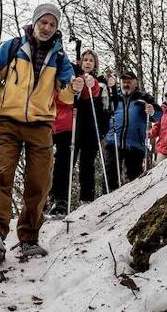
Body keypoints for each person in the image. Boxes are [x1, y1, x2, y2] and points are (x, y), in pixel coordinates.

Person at [0, 3, 74, 260]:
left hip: (40, 125)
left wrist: (76, 85)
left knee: (39, 184)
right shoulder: (13, 47)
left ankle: (29, 238)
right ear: (35, 21)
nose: (47, 28)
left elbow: (68, 95)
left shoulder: (60, 58)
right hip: (8, 121)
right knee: (1, 175)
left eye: (52, 24)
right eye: (44, 22)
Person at [50, 48, 108, 215]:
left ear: (95, 64)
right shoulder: (73, 75)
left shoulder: (100, 82)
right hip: (74, 124)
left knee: (87, 163)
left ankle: (87, 198)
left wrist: (103, 128)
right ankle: (59, 198)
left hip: (92, 127)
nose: (88, 63)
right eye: (85, 60)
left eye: (91, 60)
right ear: (81, 62)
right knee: (67, 160)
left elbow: (105, 108)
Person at [103, 71, 160, 191]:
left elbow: (159, 115)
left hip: (135, 144)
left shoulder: (143, 97)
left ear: (135, 83)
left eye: (129, 82)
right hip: (114, 141)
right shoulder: (114, 96)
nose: (126, 84)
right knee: (110, 176)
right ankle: (105, 202)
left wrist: (152, 111)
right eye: (124, 82)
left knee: (134, 179)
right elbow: (104, 113)